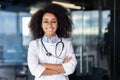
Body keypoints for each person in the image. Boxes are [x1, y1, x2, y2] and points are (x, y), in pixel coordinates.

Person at [27, 3, 77, 80]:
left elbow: (71, 68)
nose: (49, 25)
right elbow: (34, 70)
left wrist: (44, 65)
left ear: (58, 24)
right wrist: (62, 66)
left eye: (53, 21)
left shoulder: (67, 44)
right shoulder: (34, 45)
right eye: (46, 21)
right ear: (41, 24)